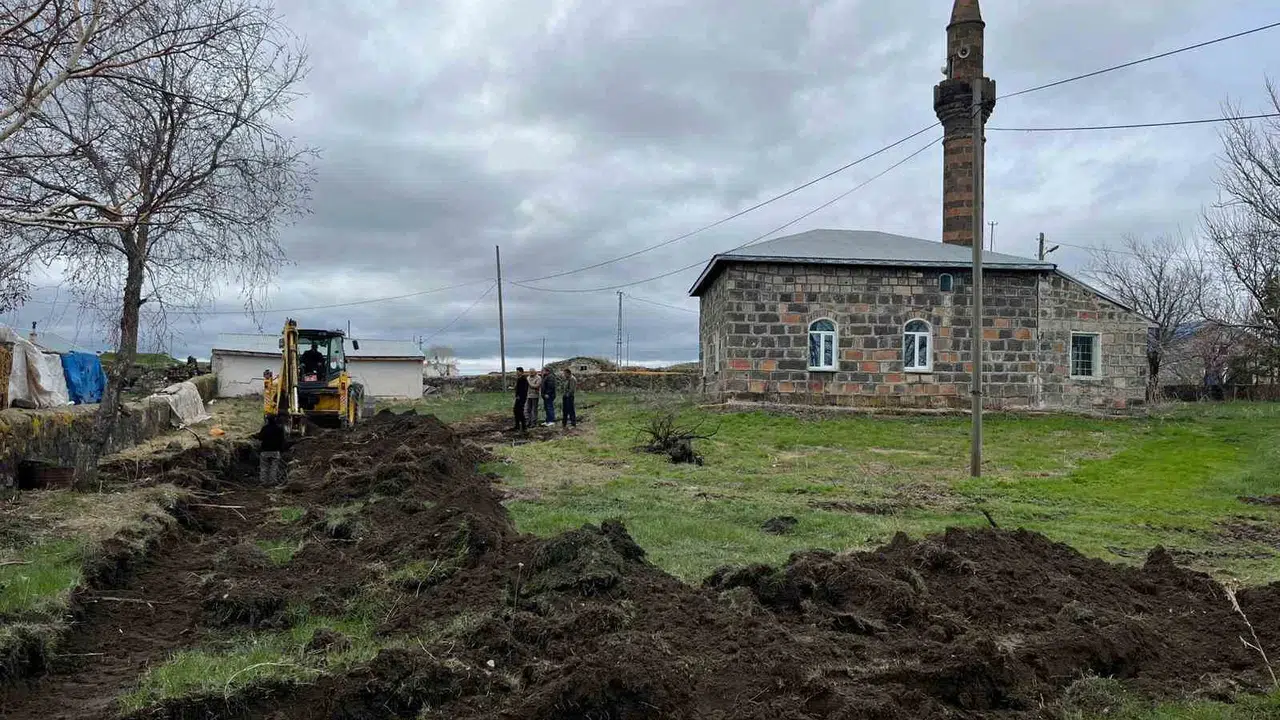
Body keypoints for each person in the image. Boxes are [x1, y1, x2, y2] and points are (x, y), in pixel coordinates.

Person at [254, 414, 288, 485]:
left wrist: (255, 436)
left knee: (264, 467)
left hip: (265, 451)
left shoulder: (265, 428)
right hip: (275, 451)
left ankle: (263, 482)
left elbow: (260, 437)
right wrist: (282, 449)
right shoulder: (279, 429)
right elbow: (282, 440)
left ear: (267, 420)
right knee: (274, 468)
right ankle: (272, 482)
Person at [512, 366, 529, 431]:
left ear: (521, 372)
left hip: (521, 398)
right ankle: (517, 426)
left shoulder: (523, 379)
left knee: (520, 411)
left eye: (518, 371)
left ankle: (524, 427)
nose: (516, 372)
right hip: (518, 397)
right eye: (516, 371)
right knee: (516, 410)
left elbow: (524, 389)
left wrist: (520, 396)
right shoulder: (519, 378)